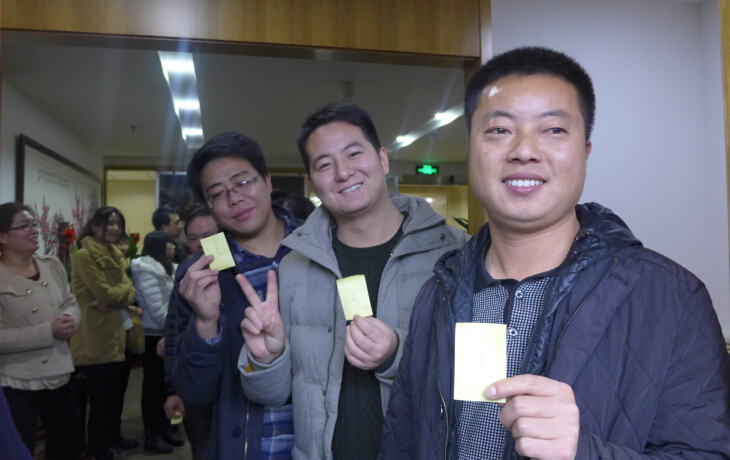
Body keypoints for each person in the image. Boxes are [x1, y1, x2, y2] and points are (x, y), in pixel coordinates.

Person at [379, 47, 730, 459]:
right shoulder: (437, 295)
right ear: (471, 147)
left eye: (554, 130)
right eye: (499, 130)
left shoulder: (671, 297)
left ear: (585, 152)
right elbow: (400, 443)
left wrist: (585, 453)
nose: (524, 150)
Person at [238, 103, 469, 460]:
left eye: (354, 153)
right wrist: (267, 359)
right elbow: (270, 394)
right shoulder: (295, 266)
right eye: (324, 164)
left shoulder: (455, 252)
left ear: (383, 159)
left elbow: (481, 377)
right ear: (313, 184)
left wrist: (396, 353)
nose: (343, 172)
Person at [171, 132, 302, 460]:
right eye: (217, 194)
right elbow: (194, 392)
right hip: (245, 447)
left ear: (267, 181)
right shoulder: (200, 275)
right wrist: (206, 322)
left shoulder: (321, 247)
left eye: (242, 182)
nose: (234, 198)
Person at [0, 202, 84, 459]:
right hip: (17, 381)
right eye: (24, 226)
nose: (34, 230)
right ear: (2, 236)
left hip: (59, 375)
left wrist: (70, 318)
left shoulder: (52, 266)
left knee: (69, 447)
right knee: (20, 449)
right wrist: (48, 331)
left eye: (34, 224)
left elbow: (71, 302)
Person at [70, 206, 137, 460]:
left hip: (117, 333)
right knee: (99, 401)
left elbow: (129, 291)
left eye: (119, 224)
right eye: (110, 223)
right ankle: (98, 450)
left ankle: (111, 439)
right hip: (94, 338)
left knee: (113, 397)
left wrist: (118, 297)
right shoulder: (85, 255)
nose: (115, 228)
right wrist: (119, 296)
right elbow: (105, 294)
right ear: (95, 226)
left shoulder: (115, 253)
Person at [161, 205, 218, 460]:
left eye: (208, 236)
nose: (200, 245)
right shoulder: (186, 272)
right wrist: (172, 389)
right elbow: (174, 330)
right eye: (193, 238)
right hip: (196, 385)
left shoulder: (243, 268)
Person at [131, 230, 181, 453]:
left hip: (166, 332)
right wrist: (174, 325)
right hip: (153, 334)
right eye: (169, 244)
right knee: (153, 386)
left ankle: (163, 429)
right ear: (160, 246)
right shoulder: (146, 271)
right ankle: (152, 434)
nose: (173, 246)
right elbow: (156, 308)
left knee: (163, 386)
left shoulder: (168, 267)